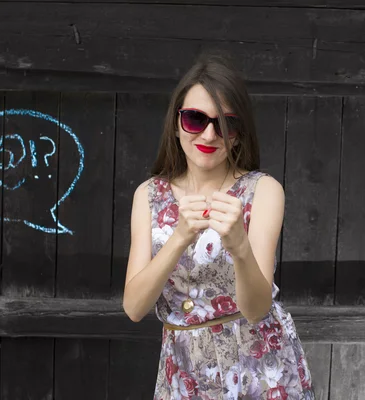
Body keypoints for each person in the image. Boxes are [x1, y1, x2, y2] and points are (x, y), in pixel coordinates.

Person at [123, 52, 315, 400]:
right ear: (177, 123)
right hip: (183, 370)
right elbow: (134, 308)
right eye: (196, 119)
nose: (210, 135)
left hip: (259, 369)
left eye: (225, 123)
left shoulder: (262, 191)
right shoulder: (149, 196)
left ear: (239, 134)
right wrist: (179, 236)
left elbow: (257, 309)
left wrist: (240, 246)